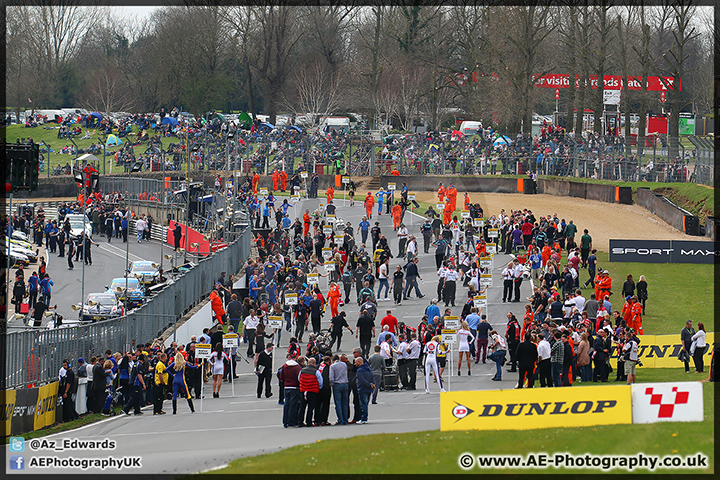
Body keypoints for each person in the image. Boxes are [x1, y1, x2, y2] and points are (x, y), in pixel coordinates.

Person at [279, 352, 302, 428]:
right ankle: (291, 421)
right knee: (293, 405)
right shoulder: (297, 367)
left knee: (286, 404)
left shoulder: (285, 366)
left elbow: (281, 376)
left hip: (286, 387)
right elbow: (299, 377)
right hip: (294, 387)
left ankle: (285, 421)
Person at [299, 357, 323, 427]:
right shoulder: (316, 371)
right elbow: (320, 381)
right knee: (310, 407)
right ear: (313, 363)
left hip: (303, 390)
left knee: (302, 407)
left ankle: (300, 421)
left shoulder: (302, 370)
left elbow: (299, 378)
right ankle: (308, 422)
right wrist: (319, 388)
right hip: (313, 390)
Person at [329, 354, 349, 425]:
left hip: (337, 384)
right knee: (345, 403)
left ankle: (340, 419)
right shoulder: (344, 364)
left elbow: (331, 377)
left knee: (338, 403)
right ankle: (345, 419)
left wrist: (332, 384)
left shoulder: (332, 366)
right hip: (345, 383)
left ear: (333, 360)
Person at [355, 357, 374, 423]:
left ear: (359, 362)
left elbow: (361, 379)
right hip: (369, 389)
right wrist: (372, 384)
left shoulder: (360, 370)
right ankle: (364, 418)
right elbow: (372, 377)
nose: (355, 364)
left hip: (362, 389)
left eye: (356, 362)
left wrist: (368, 384)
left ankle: (364, 419)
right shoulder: (368, 368)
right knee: (366, 404)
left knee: (363, 405)